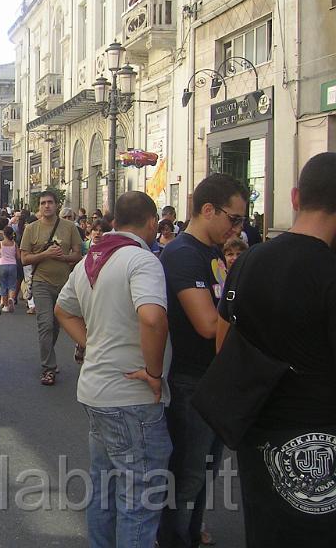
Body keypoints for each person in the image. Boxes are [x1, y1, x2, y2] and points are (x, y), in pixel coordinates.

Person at [215, 152, 336, 547]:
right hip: (320, 431)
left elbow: (225, 336)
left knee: (266, 528)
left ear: (295, 198)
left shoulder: (249, 260)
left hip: (259, 426)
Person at [55, 191, 171, 548]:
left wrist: (92, 343)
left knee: (104, 489)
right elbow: (152, 318)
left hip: (96, 389)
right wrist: (154, 373)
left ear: (115, 221)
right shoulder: (142, 260)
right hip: (131, 395)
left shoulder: (92, 259)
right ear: (152, 222)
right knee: (138, 497)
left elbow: (63, 309)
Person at [157, 173, 248, 548]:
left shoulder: (211, 252)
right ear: (208, 209)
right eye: (234, 218)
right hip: (191, 381)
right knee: (189, 473)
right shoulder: (182, 254)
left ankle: (190, 534)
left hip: (214, 379)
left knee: (206, 472)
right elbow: (209, 324)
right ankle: (174, 538)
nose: (238, 228)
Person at [20, 190, 82, 386]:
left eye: (50, 202)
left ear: (56, 205)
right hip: (41, 282)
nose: (46, 206)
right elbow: (24, 259)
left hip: (64, 283)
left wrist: (62, 257)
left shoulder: (69, 227)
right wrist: (45, 254)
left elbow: (78, 254)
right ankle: (48, 368)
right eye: (43, 203)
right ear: (38, 206)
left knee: (55, 326)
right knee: (45, 324)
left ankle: (49, 357)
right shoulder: (31, 229)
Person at [0, 226, 18, 312]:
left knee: (3, 285)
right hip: (12, 265)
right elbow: (18, 256)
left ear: (4, 234)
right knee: (12, 284)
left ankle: (5, 306)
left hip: (2, 264)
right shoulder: (14, 244)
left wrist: (1, 256)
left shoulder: (0, 244)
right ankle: (11, 298)